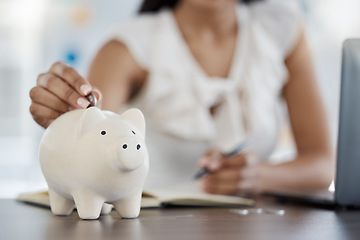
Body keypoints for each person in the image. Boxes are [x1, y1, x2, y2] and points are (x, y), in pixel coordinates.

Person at [29, 0, 335, 195]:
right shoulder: (128, 46)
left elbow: (322, 164)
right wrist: (65, 120)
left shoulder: (280, 28)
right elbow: (83, 145)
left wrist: (261, 177)